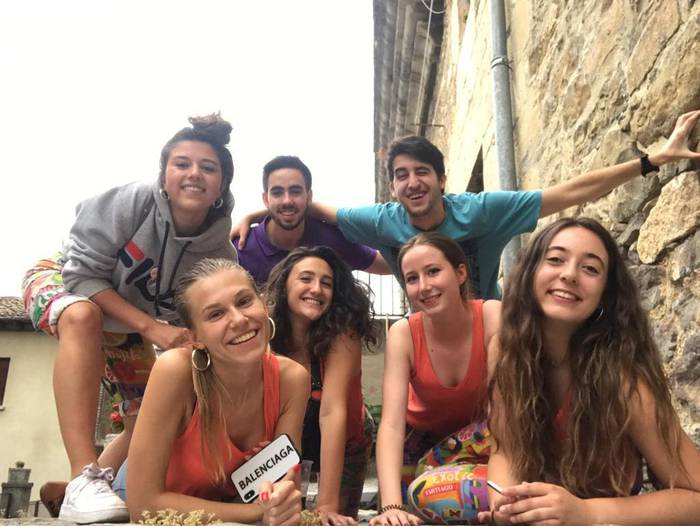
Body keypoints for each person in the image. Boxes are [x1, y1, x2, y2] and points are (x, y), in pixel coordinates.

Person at [21, 114, 238, 523]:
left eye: (208, 168)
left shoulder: (218, 255)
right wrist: (151, 327)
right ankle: (82, 474)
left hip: (126, 321)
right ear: (164, 175)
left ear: (221, 185)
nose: (194, 173)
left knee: (149, 414)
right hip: (64, 279)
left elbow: (204, 320)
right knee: (82, 315)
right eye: (182, 163)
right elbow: (82, 276)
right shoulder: (133, 203)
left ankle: (73, 494)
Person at [234, 110, 700, 299]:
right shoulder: (381, 221)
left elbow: (571, 192)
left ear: (441, 180)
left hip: (487, 324)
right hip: (427, 336)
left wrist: (651, 161)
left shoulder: (481, 212)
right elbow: (311, 208)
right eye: (401, 175)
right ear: (392, 188)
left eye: (422, 172)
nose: (413, 183)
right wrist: (256, 214)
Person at [479, 217, 700, 526]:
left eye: (590, 269)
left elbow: (696, 496)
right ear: (530, 272)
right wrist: (506, 505)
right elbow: (505, 450)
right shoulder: (505, 351)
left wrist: (587, 513)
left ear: (605, 294)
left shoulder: (622, 378)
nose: (569, 275)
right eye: (555, 259)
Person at [126, 258, 309, 524]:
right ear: (195, 338)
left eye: (244, 301)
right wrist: (256, 512)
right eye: (215, 314)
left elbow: (285, 482)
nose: (239, 319)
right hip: (144, 504)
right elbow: (142, 504)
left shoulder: (292, 380)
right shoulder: (176, 371)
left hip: (227, 508)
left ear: (263, 303)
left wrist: (279, 500)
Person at [370, 232, 502, 526]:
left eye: (433, 271)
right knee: (411, 507)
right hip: (423, 444)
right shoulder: (403, 333)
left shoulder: (492, 315)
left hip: (488, 439)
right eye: (412, 278)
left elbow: (503, 411)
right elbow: (391, 424)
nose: (424, 286)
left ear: (460, 273)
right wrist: (390, 506)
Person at [265, 246, 377, 525]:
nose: (316, 289)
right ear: (284, 285)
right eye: (306, 279)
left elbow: (332, 411)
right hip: (289, 438)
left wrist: (327, 504)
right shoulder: (266, 331)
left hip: (346, 437)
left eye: (326, 283)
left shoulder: (343, 331)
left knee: (335, 518)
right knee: (285, 515)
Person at [232, 155, 390, 286]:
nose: (287, 200)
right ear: (266, 199)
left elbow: (388, 264)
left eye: (295, 191)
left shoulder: (332, 240)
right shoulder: (241, 250)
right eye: (277, 192)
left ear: (309, 197)